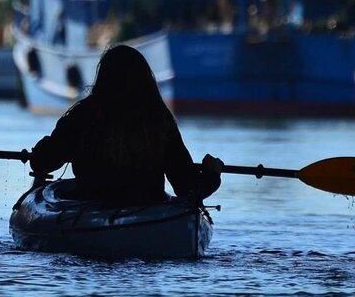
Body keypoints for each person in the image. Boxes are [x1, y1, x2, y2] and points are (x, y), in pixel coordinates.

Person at [30, 44, 222, 206]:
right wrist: (211, 174)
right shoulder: (159, 120)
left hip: (91, 209)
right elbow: (186, 187)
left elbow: (42, 161)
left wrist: (40, 152)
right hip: (147, 212)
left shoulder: (82, 115)